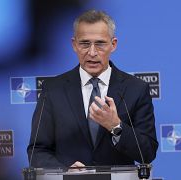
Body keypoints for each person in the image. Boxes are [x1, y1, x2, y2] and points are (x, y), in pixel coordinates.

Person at [27, 10, 158, 168]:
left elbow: (148, 152)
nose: (92, 52)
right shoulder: (53, 90)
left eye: (100, 43)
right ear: (74, 45)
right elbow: (37, 151)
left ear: (113, 44)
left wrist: (115, 126)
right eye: (85, 43)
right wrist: (64, 170)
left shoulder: (136, 89)